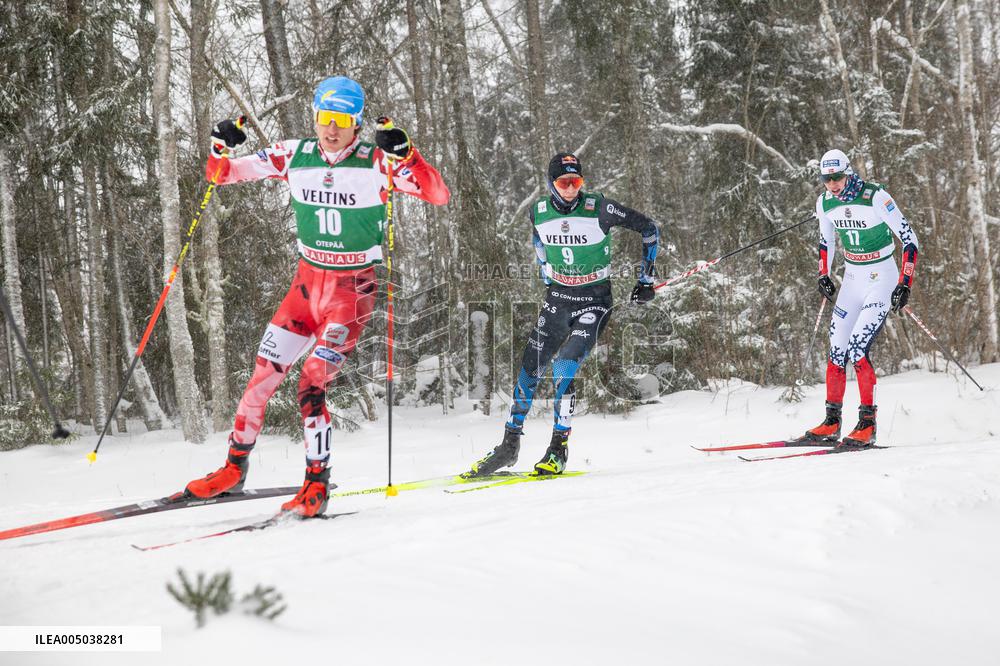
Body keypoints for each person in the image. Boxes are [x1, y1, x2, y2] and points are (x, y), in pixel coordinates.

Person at [184, 76, 449, 517]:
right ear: (315, 117)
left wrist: (408, 155)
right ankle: (234, 469)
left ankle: (316, 484)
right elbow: (220, 175)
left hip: (351, 292)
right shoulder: (294, 154)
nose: (332, 129)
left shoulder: (376, 161)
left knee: (311, 382)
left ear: (357, 124)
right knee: (260, 380)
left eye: (342, 121)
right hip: (304, 288)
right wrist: (220, 145)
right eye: (326, 118)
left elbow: (437, 194)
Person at [463, 153, 660, 477]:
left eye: (576, 182)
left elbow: (649, 228)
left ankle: (558, 449)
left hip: (594, 302)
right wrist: (545, 273)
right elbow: (538, 239)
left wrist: (646, 280)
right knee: (530, 367)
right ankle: (509, 446)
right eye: (563, 183)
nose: (570, 189)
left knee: (565, 364)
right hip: (558, 299)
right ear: (551, 184)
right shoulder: (537, 212)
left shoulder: (600, 208)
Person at [802, 148, 918, 448]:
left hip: (882, 278)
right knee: (836, 348)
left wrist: (904, 282)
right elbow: (825, 240)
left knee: (857, 347)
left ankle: (868, 423)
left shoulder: (874, 196)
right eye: (827, 179)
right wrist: (823, 275)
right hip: (853, 278)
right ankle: (831, 421)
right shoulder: (825, 202)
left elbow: (909, 238)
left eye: (837, 177)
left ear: (848, 172)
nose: (833, 184)